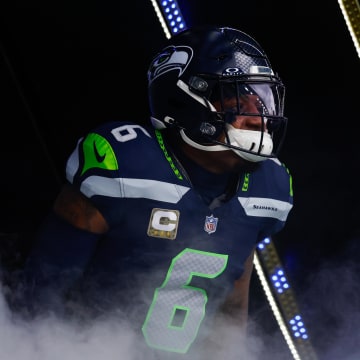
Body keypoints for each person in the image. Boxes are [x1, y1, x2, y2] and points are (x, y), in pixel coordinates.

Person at [14, 26, 293, 358]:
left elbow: (231, 305)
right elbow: (42, 291)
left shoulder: (269, 188)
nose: (257, 115)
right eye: (237, 98)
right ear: (186, 99)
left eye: (261, 97)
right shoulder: (125, 161)